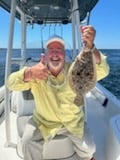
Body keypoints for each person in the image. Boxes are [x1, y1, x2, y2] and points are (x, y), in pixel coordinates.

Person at [7, 25, 109, 160]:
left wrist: (91, 47)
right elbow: (10, 83)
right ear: (46, 54)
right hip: (43, 122)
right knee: (27, 142)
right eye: (51, 50)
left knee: (90, 149)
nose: (55, 53)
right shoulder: (36, 71)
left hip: (72, 122)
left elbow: (103, 69)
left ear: (64, 54)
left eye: (59, 49)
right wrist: (29, 73)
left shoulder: (74, 68)